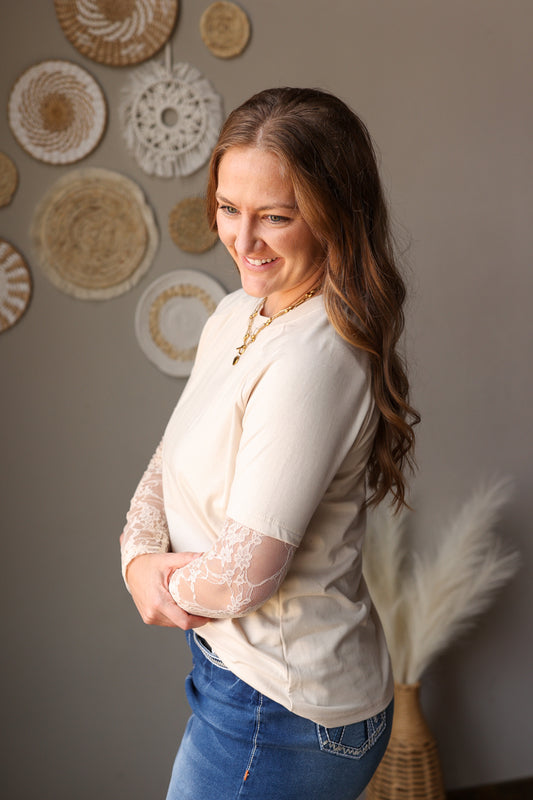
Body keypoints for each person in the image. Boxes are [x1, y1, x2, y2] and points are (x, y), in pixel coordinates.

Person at [120, 87, 420, 800]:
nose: (243, 240)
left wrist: (155, 581)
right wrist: (136, 554)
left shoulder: (315, 359)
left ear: (335, 214)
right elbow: (169, 458)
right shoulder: (236, 313)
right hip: (236, 677)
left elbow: (243, 577)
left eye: (276, 217)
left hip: (279, 709)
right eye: (229, 208)